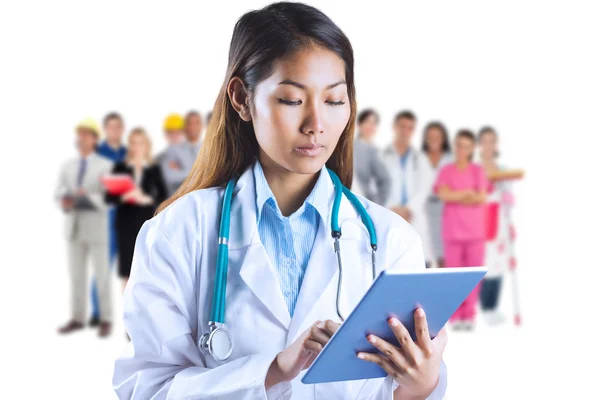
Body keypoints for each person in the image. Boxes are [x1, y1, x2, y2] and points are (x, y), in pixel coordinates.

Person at [113, 3, 447, 399]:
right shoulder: (178, 232)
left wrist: (422, 385)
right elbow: (146, 389)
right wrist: (273, 370)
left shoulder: (392, 241)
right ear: (241, 99)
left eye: (335, 101)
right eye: (292, 100)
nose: (316, 124)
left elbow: (393, 390)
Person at [55, 118, 113, 337]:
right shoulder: (67, 165)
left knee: (101, 276)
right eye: (79, 135)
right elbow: (57, 192)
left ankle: (106, 319)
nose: (81, 139)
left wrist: (86, 196)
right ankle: (77, 318)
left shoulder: (105, 165)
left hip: (97, 228)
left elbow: (109, 198)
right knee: (76, 276)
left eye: (86, 135)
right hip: (73, 228)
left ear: (94, 139)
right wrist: (64, 200)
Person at [434, 129, 489, 330]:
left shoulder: (478, 171)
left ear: (472, 148)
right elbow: (443, 196)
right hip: (453, 231)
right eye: (458, 145)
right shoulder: (446, 171)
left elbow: (481, 197)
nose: (461, 149)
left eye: (466, 146)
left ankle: (469, 315)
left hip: (475, 233)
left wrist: (456, 194)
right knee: (454, 276)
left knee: (473, 275)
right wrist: (466, 194)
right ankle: (456, 316)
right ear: (454, 146)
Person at [105, 127, 167, 292]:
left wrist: (146, 198)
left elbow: (163, 197)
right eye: (133, 143)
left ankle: (143, 312)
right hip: (125, 225)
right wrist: (123, 197)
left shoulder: (154, 169)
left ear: (147, 145)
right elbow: (108, 198)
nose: (137, 147)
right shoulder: (120, 168)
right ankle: (127, 311)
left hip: (146, 223)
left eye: (140, 143)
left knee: (146, 269)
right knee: (127, 271)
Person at [87, 111, 127, 327]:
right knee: (102, 267)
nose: (115, 131)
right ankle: (97, 312)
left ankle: (132, 317)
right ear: (105, 130)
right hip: (105, 219)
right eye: (111, 127)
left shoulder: (127, 153)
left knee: (130, 270)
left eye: (118, 127)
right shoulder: (97, 154)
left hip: (126, 219)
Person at [477, 126, 520, 325]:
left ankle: (493, 306)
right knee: (485, 263)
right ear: (479, 145)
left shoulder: (502, 170)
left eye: (491, 141)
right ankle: (484, 306)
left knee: (500, 263)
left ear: (496, 145)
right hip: (481, 220)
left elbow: (508, 196)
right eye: (484, 141)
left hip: (500, 222)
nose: (488, 145)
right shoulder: (475, 169)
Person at [382, 111, 433, 266]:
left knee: (418, 264)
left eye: (409, 128)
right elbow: (377, 187)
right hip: (390, 214)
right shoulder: (381, 156)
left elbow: (425, 187)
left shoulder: (421, 159)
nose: (405, 131)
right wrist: (392, 208)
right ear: (394, 127)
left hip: (414, 216)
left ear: (413, 131)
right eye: (402, 126)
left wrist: (409, 208)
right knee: (392, 263)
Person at [421, 122, 453, 268]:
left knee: (444, 254)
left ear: (444, 139)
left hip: (447, 211)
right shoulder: (418, 157)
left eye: (437, 137)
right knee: (424, 252)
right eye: (430, 137)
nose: (434, 140)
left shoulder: (451, 159)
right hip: (423, 210)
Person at [352, 109, 391, 205]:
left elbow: (385, 181)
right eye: (367, 122)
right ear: (359, 124)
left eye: (373, 123)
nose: (370, 126)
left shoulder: (376, 151)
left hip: (365, 201)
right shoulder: (349, 147)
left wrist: (377, 204)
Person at [157, 113, 193, 195]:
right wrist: (192, 172)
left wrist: (182, 172)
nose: (174, 135)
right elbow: (171, 177)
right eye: (171, 132)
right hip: (174, 198)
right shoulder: (163, 156)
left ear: (182, 132)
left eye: (177, 131)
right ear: (166, 133)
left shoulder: (192, 150)